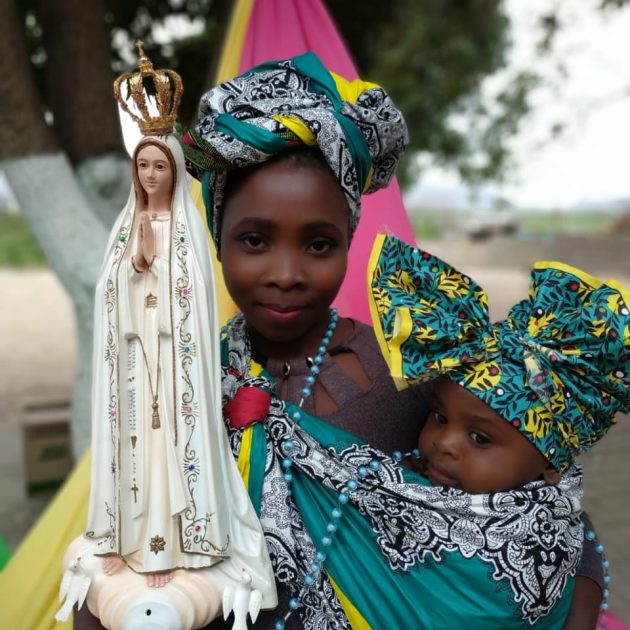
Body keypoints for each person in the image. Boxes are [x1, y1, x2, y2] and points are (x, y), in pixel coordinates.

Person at [182, 53, 606, 629]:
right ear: (217, 236)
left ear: (350, 241)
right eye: (254, 241)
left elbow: (550, 522)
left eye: (319, 245)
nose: (286, 272)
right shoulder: (182, 380)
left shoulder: (408, 380)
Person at [66, 48, 276, 628]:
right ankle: (126, 536)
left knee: (171, 445)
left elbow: (196, 297)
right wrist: (129, 272)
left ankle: (171, 544)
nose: (150, 175)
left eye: (159, 166)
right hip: (135, 360)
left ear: (175, 170)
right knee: (135, 441)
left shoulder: (185, 230)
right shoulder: (125, 227)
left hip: (174, 359)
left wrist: (160, 285)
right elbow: (109, 295)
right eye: (143, 166)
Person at [369, 233, 630, 625]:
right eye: (439, 417)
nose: (443, 443)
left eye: (480, 438)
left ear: (551, 464)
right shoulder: (394, 483)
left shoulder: (549, 543)